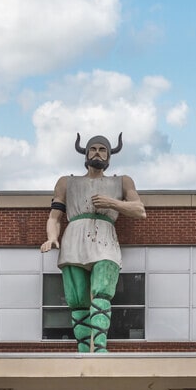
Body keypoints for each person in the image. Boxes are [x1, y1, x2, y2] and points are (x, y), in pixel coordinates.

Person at [40, 133, 146, 352]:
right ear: (86, 153)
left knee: (102, 292)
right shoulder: (66, 182)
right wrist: (52, 238)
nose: (97, 153)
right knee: (77, 298)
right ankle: (82, 348)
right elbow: (54, 216)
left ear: (109, 155)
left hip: (105, 237)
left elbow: (139, 210)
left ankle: (99, 347)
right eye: (93, 149)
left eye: (103, 149)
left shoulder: (122, 181)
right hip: (74, 238)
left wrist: (112, 202)